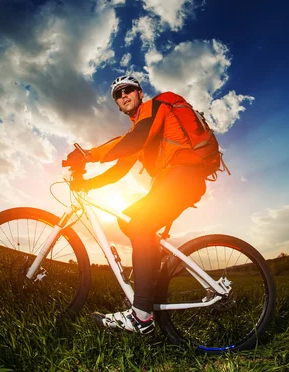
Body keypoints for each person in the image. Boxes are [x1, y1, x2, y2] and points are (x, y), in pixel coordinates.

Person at [67, 75, 208, 334]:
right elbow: (118, 172)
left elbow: (132, 140)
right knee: (128, 220)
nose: (124, 95)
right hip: (174, 179)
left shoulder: (154, 109)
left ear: (140, 93)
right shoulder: (140, 129)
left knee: (141, 226)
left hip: (184, 173)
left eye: (128, 90)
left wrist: (88, 154)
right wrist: (85, 185)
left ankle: (142, 315)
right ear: (118, 105)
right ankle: (151, 281)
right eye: (118, 94)